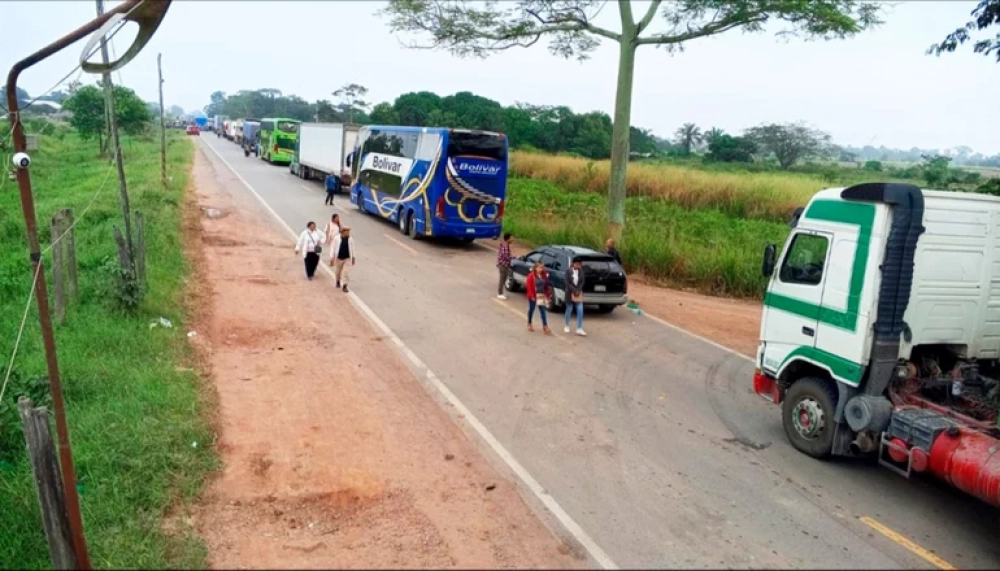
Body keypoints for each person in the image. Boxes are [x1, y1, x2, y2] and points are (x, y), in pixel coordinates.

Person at [525, 261, 553, 334]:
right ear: (536, 268)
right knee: (532, 310)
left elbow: (546, 286)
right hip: (533, 296)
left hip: (541, 295)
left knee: (543, 311)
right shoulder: (531, 276)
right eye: (540, 267)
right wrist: (531, 296)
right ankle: (529, 323)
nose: (541, 269)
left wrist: (547, 294)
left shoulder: (544, 275)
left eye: (542, 267)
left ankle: (545, 326)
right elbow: (529, 286)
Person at [564, 258, 587, 336]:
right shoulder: (568, 271)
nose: (578, 266)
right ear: (573, 263)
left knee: (580, 310)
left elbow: (582, 282)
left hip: (578, 294)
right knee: (569, 309)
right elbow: (567, 283)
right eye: (577, 264)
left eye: (579, 264)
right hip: (569, 293)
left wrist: (578, 290)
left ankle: (579, 328)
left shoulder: (581, 272)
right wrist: (574, 290)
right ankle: (567, 325)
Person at [331, 226, 356, 292]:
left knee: (346, 272)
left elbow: (353, 248)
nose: (348, 233)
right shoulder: (337, 238)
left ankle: (345, 285)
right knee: (338, 271)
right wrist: (332, 257)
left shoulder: (350, 239)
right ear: (342, 232)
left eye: (348, 232)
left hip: (347, 258)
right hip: (339, 258)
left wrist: (353, 257)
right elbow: (333, 247)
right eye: (347, 232)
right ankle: (338, 281)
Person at [496, 232, 513, 300]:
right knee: (502, 280)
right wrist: (513, 257)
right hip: (503, 265)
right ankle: (500, 293)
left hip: (503, 265)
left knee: (503, 279)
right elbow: (505, 256)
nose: (513, 239)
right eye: (511, 238)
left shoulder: (505, 245)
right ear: (507, 239)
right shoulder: (505, 246)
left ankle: (501, 293)